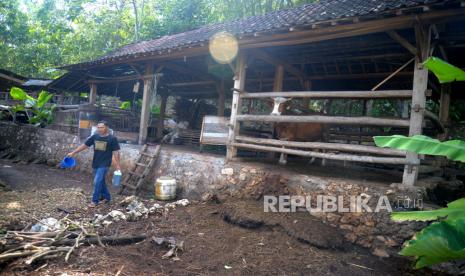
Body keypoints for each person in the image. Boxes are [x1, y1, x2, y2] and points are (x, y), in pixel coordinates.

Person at [67, 121, 121, 207]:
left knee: (97, 181)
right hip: (96, 162)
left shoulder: (112, 139)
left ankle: (94, 201)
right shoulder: (95, 137)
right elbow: (85, 145)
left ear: (106, 127)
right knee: (101, 181)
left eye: (101, 127)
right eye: (98, 127)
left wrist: (118, 165)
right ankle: (107, 197)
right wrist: (73, 152)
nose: (99, 129)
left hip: (105, 164)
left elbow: (116, 152)